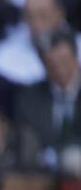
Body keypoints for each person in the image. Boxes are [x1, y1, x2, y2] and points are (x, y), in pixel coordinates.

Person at [14, 26, 81, 174]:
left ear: (76, 58)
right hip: (42, 173)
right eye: (51, 64)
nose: (59, 69)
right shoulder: (30, 98)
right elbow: (28, 138)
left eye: (64, 61)